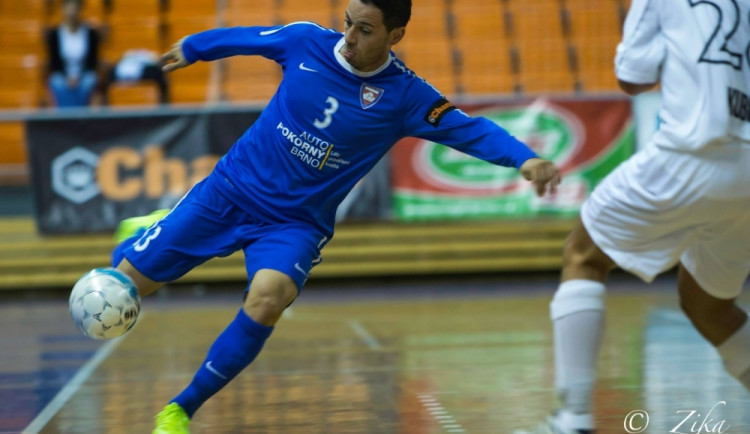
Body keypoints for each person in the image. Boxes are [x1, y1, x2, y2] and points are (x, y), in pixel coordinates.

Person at [85, 0, 561, 432]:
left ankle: (180, 409)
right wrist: (194, 46)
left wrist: (524, 158)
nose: (350, 38)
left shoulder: (407, 97)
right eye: (348, 23)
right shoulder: (306, 41)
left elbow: (469, 130)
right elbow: (247, 37)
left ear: (395, 36)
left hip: (294, 225)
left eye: (366, 30)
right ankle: (147, 234)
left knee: (269, 298)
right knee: (124, 286)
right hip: (228, 193)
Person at [515, 0, 750, 433]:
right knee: (711, 308)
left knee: (584, 255)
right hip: (746, 173)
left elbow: (632, 79)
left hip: (691, 152)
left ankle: (573, 419)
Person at [45, 0, 101, 107]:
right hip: (63, 76)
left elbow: (93, 61)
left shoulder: (90, 33)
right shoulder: (55, 34)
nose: (72, 12)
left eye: (75, 8)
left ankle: (82, 116)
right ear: (63, 10)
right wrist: (67, 78)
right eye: (69, 8)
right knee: (56, 82)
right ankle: (65, 117)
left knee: (90, 80)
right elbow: (54, 62)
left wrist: (78, 78)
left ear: (80, 10)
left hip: (83, 75)